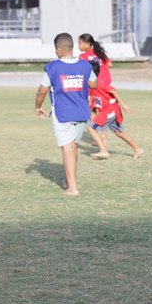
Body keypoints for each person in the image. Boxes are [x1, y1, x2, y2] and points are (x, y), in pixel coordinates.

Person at [35, 32, 97, 196]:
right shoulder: (85, 65)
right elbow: (94, 84)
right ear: (72, 47)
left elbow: (42, 90)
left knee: (68, 149)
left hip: (63, 114)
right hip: (82, 113)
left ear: (58, 49)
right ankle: (68, 180)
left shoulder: (53, 67)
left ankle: (73, 188)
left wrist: (38, 106)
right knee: (73, 147)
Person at [87, 60, 144, 160]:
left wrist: (123, 105)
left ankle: (103, 151)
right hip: (110, 111)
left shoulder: (99, 83)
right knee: (119, 133)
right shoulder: (90, 86)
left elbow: (113, 90)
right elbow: (92, 100)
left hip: (110, 110)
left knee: (91, 128)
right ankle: (138, 149)